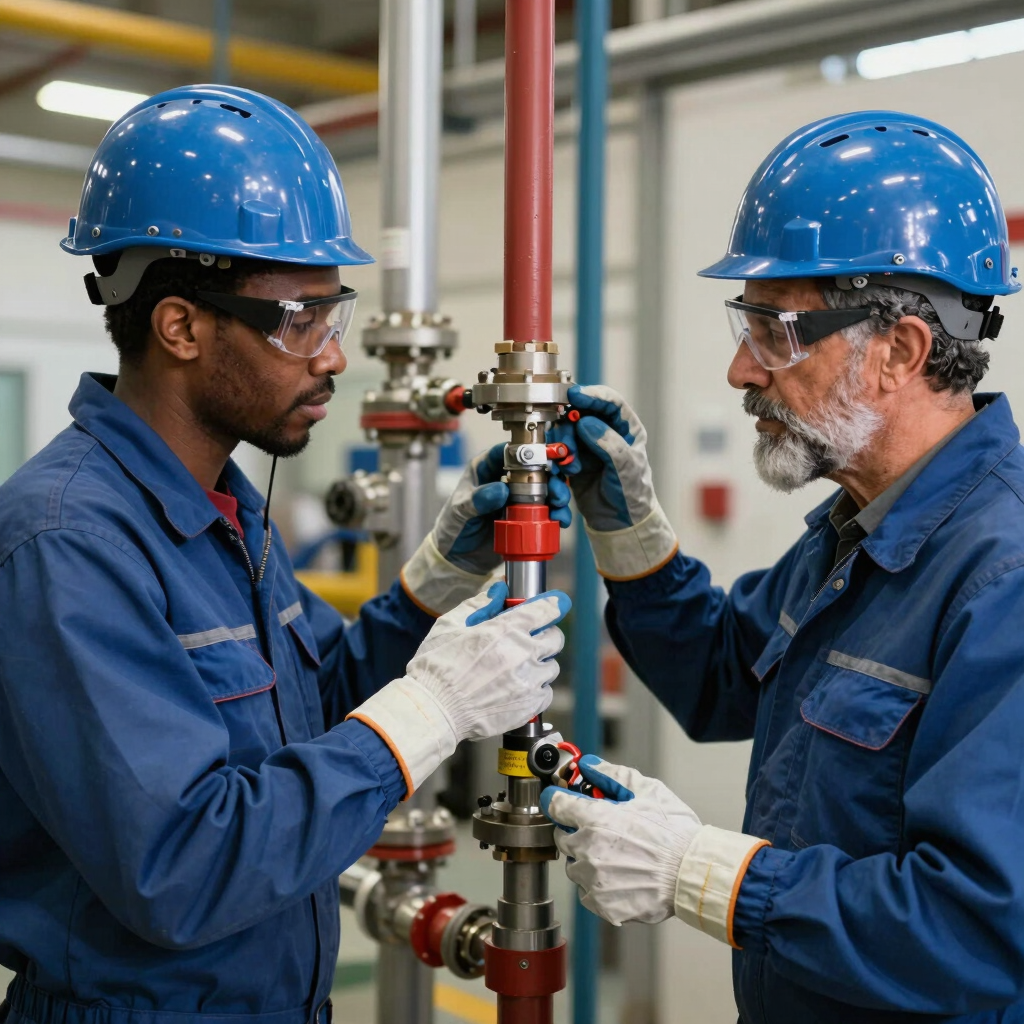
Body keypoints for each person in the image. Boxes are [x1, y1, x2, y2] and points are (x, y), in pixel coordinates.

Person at [0, 85, 572, 1024]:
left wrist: (435, 578)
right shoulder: (69, 544)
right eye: (299, 318)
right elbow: (183, 866)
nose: (333, 357)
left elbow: (315, 698)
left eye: (332, 315)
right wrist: (435, 709)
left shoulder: (225, 507)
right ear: (181, 326)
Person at [541, 110, 1024, 1022]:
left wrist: (701, 873)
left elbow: (980, 931)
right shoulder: (855, 534)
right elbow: (723, 676)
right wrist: (630, 530)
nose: (739, 370)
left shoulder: (1002, 578)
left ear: (900, 352)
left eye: (775, 332)